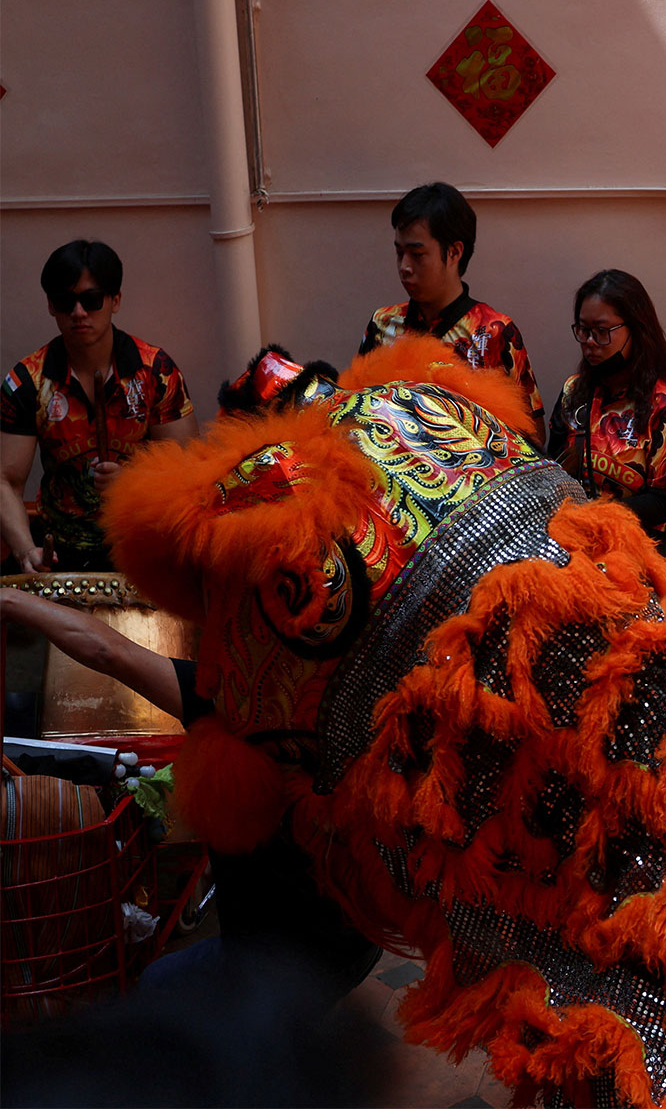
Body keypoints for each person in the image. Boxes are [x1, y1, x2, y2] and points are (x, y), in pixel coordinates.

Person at [0, 587, 382, 1001]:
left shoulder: (235, 703)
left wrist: (12, 601)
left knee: (156, 989)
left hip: (276, 965)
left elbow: (107, 650)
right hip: (362, 941)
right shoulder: (369, 708)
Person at [1, 241, 196, 573]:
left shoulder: (156, 371)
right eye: (66, 302)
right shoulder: (26, 381)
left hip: (141, 544)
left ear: (115, 301)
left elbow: (189, 473)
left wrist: (135, 482)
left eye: (91, 300)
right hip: (59, 549)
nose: (79, 313)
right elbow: (5, 480)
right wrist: (24, 551)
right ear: (51, 306)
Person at [358, 181, 546, 447]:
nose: (404, 267)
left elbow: (532, 439)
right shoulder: (383, 323)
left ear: (455, 252)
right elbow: (358, 413)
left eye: (417, 254)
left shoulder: (494, 332)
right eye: (399, 252)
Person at [546, 270, 666, 573]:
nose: (589, 342)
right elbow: (553, 466)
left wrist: (594, 516)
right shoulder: (573, 392)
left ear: (636, 329)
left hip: (647, 558)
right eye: (583, 330)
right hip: (581, 554)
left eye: (601, 331)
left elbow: (664, 502)